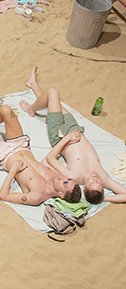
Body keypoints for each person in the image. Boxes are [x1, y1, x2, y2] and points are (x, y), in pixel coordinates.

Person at [20, 66, 126, 205]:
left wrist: (67, 139)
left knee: (52, 93)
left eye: (92, 182)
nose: (95, 178)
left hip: (60, 134)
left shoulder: (74, 176)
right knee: (53, 101)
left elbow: (51, 159)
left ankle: (31, 108)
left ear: (85, 187)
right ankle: (33, 85)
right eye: (98, 182)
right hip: (75, 130)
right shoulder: (104, 178)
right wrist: (103, 198)